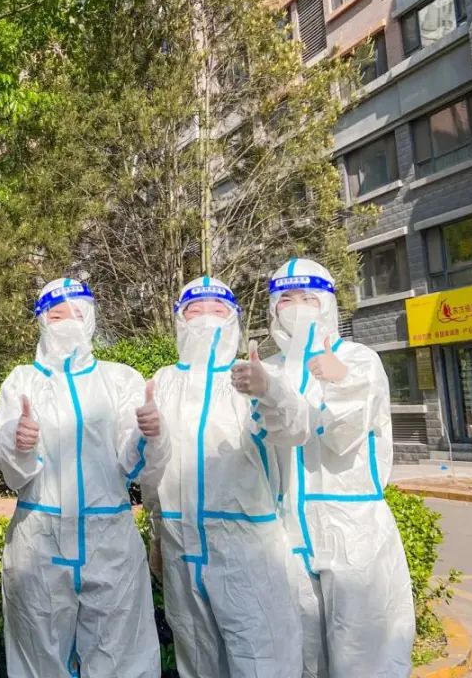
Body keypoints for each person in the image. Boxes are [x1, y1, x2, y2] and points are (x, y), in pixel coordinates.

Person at [231, 258, 415, 678]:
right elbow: (262, 441)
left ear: (327, 304)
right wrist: (266, 389)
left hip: (352, 529)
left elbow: (341, 432)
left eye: (308, 298)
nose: (297, 307)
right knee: (299, 658)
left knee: (366, 657)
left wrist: (339, 379)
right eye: (286, 299)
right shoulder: (268, 368)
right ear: (273, 309)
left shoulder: (358, 360)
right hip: (286, 532)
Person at [0, 278, 164, 678]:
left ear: (90, 319)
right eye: (57, 316)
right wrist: (19, 443)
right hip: (39, 539)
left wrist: (148, 433)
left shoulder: (119, 380)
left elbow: (133, 462)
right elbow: (12, 470)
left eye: (76, 314)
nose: (67, 323)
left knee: (122, 661)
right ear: (41, 322)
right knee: (39, 661)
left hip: (110, 541)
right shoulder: (22, 381)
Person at [144, 276, 301, 678]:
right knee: (196, 660)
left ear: (234, 319)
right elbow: (155, 469)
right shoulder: (164, 382)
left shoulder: (250, 377)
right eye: (194, 310)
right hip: (181, 549)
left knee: (260, 660)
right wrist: (157, 533)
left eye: (217, 310)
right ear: (179, 320)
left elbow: (293, 429)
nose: (206, 319)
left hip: (246, 549)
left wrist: (269, 391)